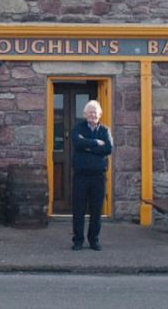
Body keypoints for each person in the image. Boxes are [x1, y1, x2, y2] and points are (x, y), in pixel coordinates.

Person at [71, 99, 113, 251]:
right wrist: (96, 142)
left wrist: (87, 147)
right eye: (90, 112)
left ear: (100, 114)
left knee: (96, 210)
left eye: (95, 112)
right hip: (81, 176)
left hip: (98, 177)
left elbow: (108, 149)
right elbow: (77, 142)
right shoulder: (78, 128)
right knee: (78, 210)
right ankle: (78, 241)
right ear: (85, 114)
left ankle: (94, 240)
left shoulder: (105, 130)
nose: (92, 115)